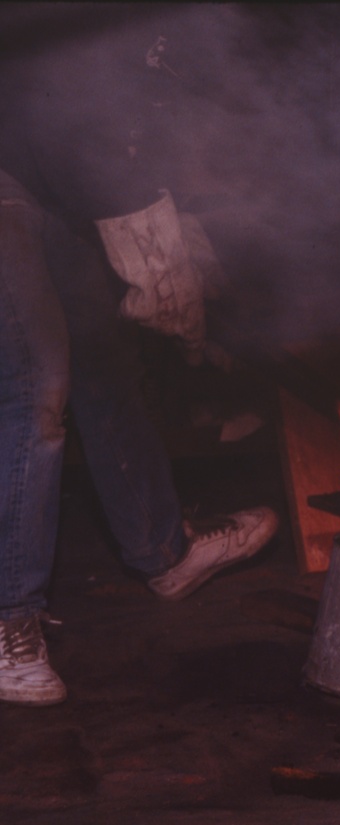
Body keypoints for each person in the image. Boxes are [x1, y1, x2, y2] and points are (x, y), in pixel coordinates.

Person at [0, 8, 278, 706]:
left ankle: (164, 552)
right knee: (37, 377)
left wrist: (177, 247)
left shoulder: (190, 41)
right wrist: (158, 266)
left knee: (101, 353)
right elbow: (79, 127)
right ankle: (9, 624)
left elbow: (134, 147)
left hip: (46, 173)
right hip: (13, 161)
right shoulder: (104, 27)